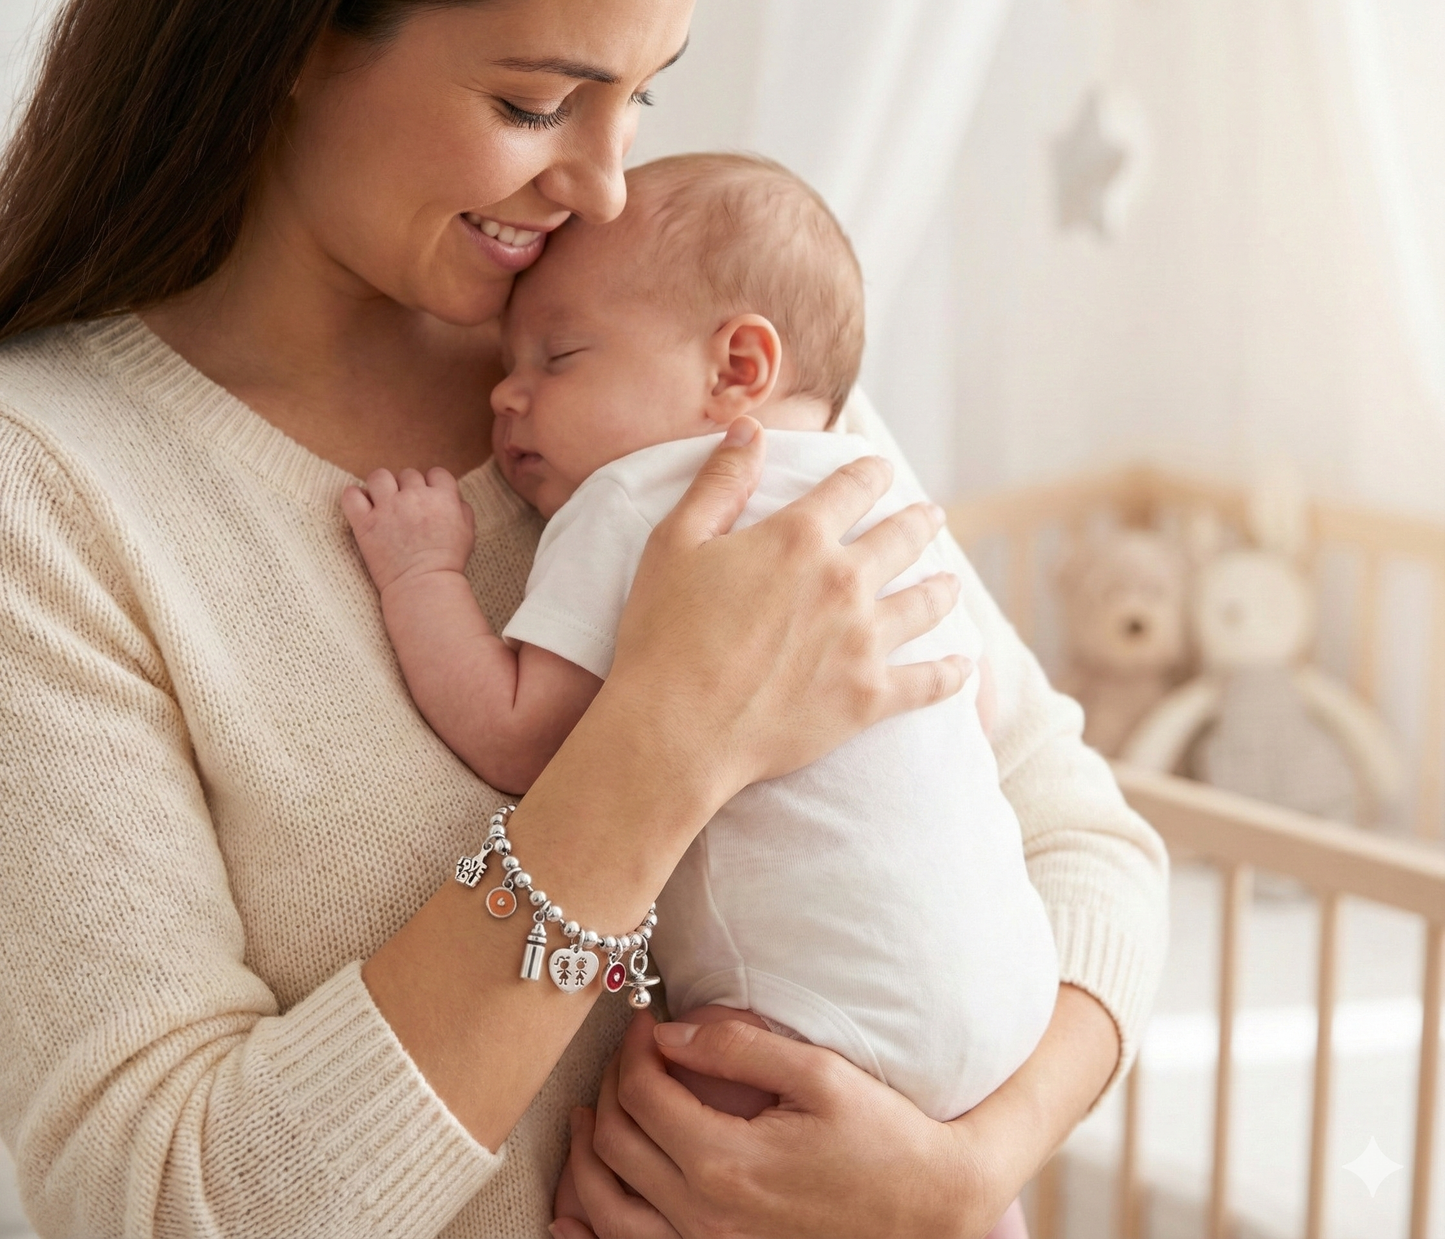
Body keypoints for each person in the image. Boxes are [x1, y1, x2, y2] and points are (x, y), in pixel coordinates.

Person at [0, 1, 1168, 1237]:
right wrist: (663, 747)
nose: (604, 190)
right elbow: (159, 1203)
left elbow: (1082, 842)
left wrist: (965, 1169)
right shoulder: (53, 493)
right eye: (535, 105)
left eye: (643, 95)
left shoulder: (689, 368)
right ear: (288, 43)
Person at [341, 152, 1059, 1239]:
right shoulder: (863, 482)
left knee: (645, 1178)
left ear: (735, 367)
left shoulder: (636, 494)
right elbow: (980, 707)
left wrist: (420, 576)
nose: (506, 393)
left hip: (804, 1023)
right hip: (1006, 999)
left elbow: (519, 735)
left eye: (559, 356)